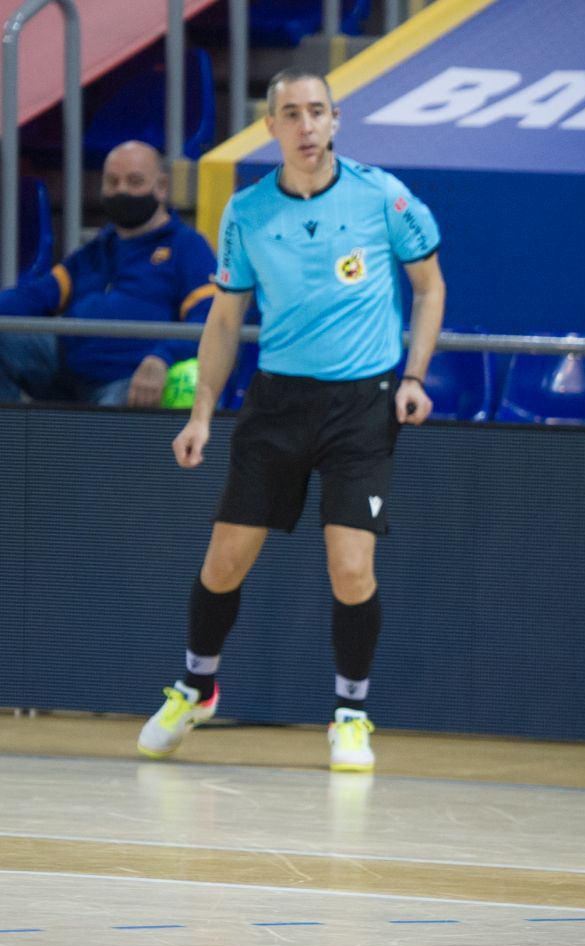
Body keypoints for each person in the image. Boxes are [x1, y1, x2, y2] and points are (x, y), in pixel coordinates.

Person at [136, 68, 444, 772]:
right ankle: (197, 685)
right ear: (270, 127)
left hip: (362, 403)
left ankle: (351, 712)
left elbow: (428, 288)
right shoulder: (245, 213)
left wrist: (415, 377)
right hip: (277, 403)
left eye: (318, 112)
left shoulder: (384, 197)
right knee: (224, 562)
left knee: (350, 566)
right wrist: (202, 415)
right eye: (291, 114)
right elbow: (223, 318)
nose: (306, 126)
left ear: (336, 121)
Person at [0, 141, 217, 406]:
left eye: (134, 181)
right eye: (112, 182)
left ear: (161, 187)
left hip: (128, 380)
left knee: (106, 430)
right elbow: (36, 295)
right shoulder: (96, 249)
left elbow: (211, 321)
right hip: (67, 370)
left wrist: (163, 357)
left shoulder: (188, 247)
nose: (121, 190)